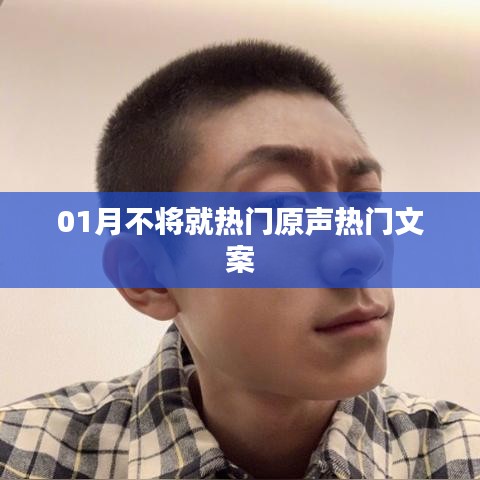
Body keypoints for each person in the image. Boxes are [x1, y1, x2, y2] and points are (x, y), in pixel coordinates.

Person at [1, 40, 479, 479]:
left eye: (364, 200)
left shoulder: (461, 457)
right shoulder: (24, 455)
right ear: (148, 275)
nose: (362, 249)